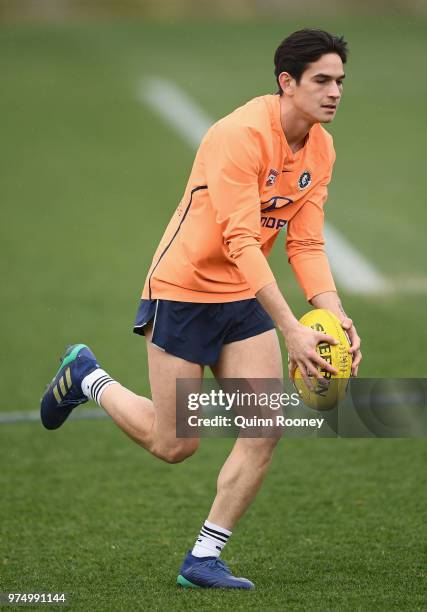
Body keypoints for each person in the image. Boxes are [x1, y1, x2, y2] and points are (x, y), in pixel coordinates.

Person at [41, 28, 362, 589]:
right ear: (287, 83)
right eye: (322, 80)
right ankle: (87, 376)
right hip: (183, 292)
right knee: (176, 444)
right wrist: (291, 327)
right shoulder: (237, 135)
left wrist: (332, 317)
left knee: (264, 426)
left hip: (243, 297)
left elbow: (305, 242)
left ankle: (204, 558)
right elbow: (240, 239)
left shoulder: (321, 148)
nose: (335, 91)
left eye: (340, 81)